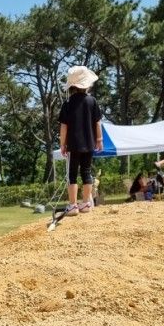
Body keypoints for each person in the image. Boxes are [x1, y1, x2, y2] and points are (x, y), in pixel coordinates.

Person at [59, 65, 103, 215]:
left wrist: (62, 144)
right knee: (86, 172)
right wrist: (99, 139)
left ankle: (73, 206)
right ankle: (86, 204)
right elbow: (98, 122)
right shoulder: (92, 101)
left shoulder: (68, 103)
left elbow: (64, 127)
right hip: (89, 143)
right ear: (87, 85)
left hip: (73, 143)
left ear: (72, 86)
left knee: (72, 174)